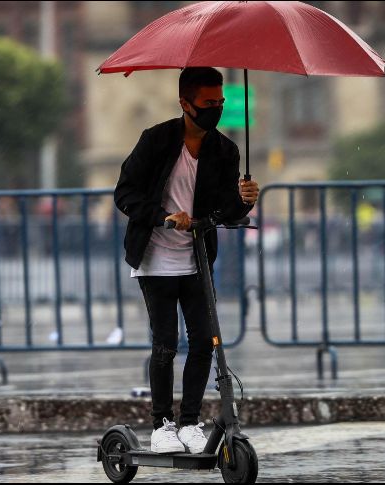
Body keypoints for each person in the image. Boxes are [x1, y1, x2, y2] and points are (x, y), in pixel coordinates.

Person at [114, 67, 260, 454]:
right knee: (165, 344)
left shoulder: (225, 150)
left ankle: (189, 422)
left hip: (196, 256)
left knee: (203, 342)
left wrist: (244, 198)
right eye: (208, 103)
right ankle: (161, 424)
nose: (216, 109)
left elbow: (225, 212)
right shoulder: (156, 140)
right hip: (155, 256)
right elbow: (124, 193)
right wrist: (164, 218)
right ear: (185, 103)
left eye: (221, 103)